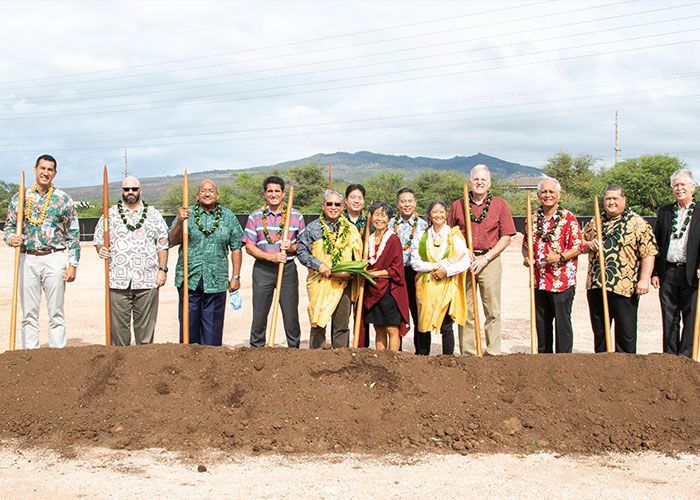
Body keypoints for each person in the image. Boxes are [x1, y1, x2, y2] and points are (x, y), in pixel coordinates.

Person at [4, 154, 80, 349]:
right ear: (35, 169)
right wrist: (11, 238)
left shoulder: (63, 199)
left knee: (56, 310)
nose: (46, 173)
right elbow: (9, 227)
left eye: (50, 170)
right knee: (29, 311)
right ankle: (30, 355)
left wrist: (73, 264)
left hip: (54, 257)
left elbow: (73, 234)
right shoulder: (20, 197)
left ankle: (57, 354)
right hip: (27, 257)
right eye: (42, 168)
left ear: (55, 173)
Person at [448, 164, 516, 356]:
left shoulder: (500, 205)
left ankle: (493, 352)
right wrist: (462, 251)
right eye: (476, 179)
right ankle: (469, 353)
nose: (479, 183)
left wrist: (486, 257)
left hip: (490, 259)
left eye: (483, 180)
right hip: (465, 262)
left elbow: (506, 236)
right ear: (471, 181)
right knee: (466, 310)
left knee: (492, 309)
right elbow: (450, 233)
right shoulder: (458, 205)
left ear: (489, 183)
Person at [93, 176, 169, 346]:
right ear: (122, 191)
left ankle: (143, 367)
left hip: (147, 280)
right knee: (119, 332)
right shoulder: (109, 215)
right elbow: (98, 239)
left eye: (134, 189)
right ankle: (120, 367)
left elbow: (163, 244)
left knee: (145, 332)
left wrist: (162, 270)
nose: (130, 192)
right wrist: (101, 249)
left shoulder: (154, 215)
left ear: (140, 190)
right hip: (118, 281)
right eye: (127, 189)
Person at [582, 185, 657, 353]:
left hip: (624, 286)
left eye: (615, 198)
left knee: (626, 333)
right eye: (608, 198)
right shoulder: (595, 222)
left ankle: (626, 371)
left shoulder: (638, 223)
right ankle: (602, 368)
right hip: (597, 285)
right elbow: (578, 244)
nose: (611, 202)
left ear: (624, 200)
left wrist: (644, 279)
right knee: (600, 333)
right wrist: (588, 244)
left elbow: (648, 253)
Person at [169, 179, 243, 346]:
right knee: (189, 330)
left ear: (217, 195)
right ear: (197, 195)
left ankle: (211, 367)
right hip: (189, 278)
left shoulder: (228, 216)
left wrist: (236, 276)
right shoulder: (186, 214)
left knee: (212, 333)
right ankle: (188, 365)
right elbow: (172, 240)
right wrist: (180, 222)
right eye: (203, 191)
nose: (207, 193)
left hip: (216, 280)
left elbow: (236, 247)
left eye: (211, 190)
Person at [242, 176, 305, 348]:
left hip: (287, 270)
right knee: (260, 313)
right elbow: (249, 247)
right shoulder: (255, 216)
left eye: (277, 191)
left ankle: (294, 350)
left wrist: (291, 247)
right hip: (263, 269)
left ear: (283, 193)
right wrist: (271, 257)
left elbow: (304, 245)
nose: (274, 194)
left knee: (290, 313)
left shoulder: (296, 216)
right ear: (265, 194)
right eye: (270, 191)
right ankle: (257, 349)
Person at [522, 178, 582, 353]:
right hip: (539, 281)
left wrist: (560, 257)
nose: (547, 195)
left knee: (562, 325)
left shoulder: (568, 218)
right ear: (539, 195)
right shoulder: (531, 219)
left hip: (561, 281)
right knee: (542, 324)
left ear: (558, 195)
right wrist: (527, 258)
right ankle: (544, 361)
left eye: (551, 192)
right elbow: (526, 247)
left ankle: (563, 362)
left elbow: (578, 246)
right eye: (544, 192)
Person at [297, 190, 363, 349]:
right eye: (329, 204)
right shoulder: (312, 228)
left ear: (342, 207)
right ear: (323, 206)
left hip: (343, 284)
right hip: (320, 282)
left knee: (341, 325)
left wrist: (350, 273)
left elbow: (358, 257)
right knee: (318, 322)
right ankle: (316, 359)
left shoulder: (351, 229)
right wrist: (319, 265)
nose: (333, 207)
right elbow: (301, 251)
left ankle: (340, 361)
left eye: (337, 204)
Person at [411, 200, 470, 355]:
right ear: (429, 215)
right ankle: (423, 359)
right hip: (426, 286)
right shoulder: (422, 235)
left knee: (446, 326)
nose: (438, 215)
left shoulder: (453, 235)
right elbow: (415, 262)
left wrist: (446, 271)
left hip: (446, 286)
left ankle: (447, 360)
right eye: (435, 212)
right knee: (424, 324)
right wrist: (435, 267)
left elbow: (464, 260)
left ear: (446, 214)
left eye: (441, 212)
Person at [651, 169, 700, 358]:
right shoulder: (665, 211)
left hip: (691, 272)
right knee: (669, 315)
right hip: (668, 271)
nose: (679, 189)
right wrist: (655, 272)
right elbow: (656, 242)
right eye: (676, 185)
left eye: (683, 185)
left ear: (692, 187)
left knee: (691, 315)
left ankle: (686, 357)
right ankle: (670, 357)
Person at [362, 201, 411, 351]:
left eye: (383, 215)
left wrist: (374, 273)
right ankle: (380, 362)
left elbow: (396, 269)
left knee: (392, 329)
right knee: (379, 329)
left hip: (390, 291)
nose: (379, 219)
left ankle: (392, 361)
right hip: (373, 290)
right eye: (376, 214)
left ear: (389, 219)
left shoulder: (393, 240)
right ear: (371, 218)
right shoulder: (368, 240)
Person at [389, 188, 428, 351]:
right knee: (396, 313)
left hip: (416, 273)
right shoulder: (390, 224)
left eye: (410, 201)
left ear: (415, 203)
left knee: (419, 312)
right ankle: (396, 352)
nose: (407, 204)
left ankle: (422, 352)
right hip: (396, 273)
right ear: (398, 204)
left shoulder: (424, 225)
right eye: (403, 201)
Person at [343, 183, 371, 347]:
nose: (356, 201)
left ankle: (361, 348)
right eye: (352, 197)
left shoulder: (370, 221)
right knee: (342, 312)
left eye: (359, 198)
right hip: (344, 273)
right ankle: (342, 348)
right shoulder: (339, 219)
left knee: (362, 314)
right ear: (346, 200)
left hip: (364, 273)